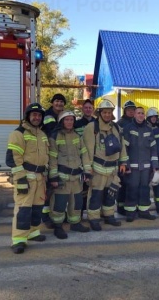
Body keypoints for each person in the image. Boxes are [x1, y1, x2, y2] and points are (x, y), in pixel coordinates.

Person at [6, 103, 49, 254]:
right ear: (28, 116)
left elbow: (46, 157)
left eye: (39, 115)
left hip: (40, 178)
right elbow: (13, 158)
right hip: (26, 178)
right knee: (23, 209)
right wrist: (21, 179)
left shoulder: (42, 135)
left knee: (37, 208)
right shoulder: (19, 133)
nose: (36, 117)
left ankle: (33, 232)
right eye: (34, 115)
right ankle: (18, 240)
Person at [80, 99, 126, 231]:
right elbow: (87, 150)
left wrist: (123, 162)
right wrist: (88, 170)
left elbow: (122, 147)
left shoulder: (116, 128)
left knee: (111, 194)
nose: (107, 115)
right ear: (99, 113)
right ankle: (93, 218)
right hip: (97, 170)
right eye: (104, 112)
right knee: (96, 195)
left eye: (109, 112)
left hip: (112, 169)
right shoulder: (91, 128)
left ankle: (108, 215)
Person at [47, 111, 91, 239]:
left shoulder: (77, 136)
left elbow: (84, 155)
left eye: (71, 120)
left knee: (76, 203)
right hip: (62, 178)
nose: (69, 122)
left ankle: (75, 223)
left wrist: (87, 171)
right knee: (59, 204)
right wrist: (53, 177)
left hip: (76, 178)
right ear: (62, 121)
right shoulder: (55, 136)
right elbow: (52, 159)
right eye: (67, 120)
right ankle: (58, 226)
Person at [120, 106, 157, 222]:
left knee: (144, 189)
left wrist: (155, 165)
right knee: (132, 188)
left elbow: (153, 148)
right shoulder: (128, 128)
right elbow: (124, 148)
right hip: (133, 167)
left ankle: (144, 211)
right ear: (134, 115)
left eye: (142, 113)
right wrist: (125, 164)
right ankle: (130, 212)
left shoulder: (148, 129)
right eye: (138, 113)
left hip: (146, 167)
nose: (141, 115)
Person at [41, 93, 67, 226]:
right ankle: (45, 217)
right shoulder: (48, 116)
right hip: (48, 154)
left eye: (62, 102)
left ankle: (54, 213)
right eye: (57, 101)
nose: (59, 104)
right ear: (52, 103)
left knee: (56, 188)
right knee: (48, 188)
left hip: (57, 154)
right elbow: (54, 132)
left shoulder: (60, 116)